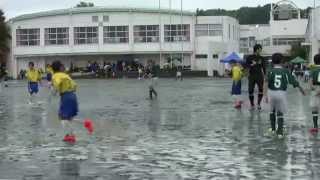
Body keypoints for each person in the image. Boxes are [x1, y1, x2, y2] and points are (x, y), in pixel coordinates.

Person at [264, 53, 305, 138]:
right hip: (281, 93)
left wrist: (265, 95)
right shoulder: (285, 71)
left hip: (271, 93)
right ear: (282, 61)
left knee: (272, 111)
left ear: (272, 61)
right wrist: (301, 89)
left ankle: (272, 129)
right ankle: (280, 132)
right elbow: (293, 81)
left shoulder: (270, 71)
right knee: (280, 112)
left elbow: (266, 83)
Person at [51, 61, 78, 143]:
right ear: (60, 67)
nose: (64, 67)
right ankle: (71, 134)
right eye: (63, 66)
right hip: (73, 96)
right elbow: (75, 86)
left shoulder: (56, 75)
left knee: (62, 117)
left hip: (66, 97)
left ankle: (70, 136)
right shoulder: (66, 75)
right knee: (68, 118)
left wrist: (53, 91)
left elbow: (56, 84)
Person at [246, 44, 266, 111]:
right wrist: (252, 64)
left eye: (261, 49)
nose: (260, 51)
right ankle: (252, 105)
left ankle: (258, 104)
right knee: (250, 90)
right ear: (256, 49)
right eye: (260, 49)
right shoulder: (249, 57)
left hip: (259, 76)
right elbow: (246, 66)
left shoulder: (262, 58)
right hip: (251, 76)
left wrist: (265, 75)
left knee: (261, 90)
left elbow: (264, 67)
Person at [309, 54, 320, 133]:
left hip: (315, 89)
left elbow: (310, 83)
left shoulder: (312, 69)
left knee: (314, 109)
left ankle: (315, 126)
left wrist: (314, 89)